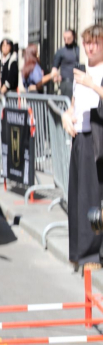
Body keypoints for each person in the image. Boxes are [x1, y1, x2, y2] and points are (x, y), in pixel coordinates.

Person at [62, 24, 103, 269]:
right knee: (77, 195)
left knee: (92, 198)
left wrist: (92, 83)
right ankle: (77, 250)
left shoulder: (94, 73)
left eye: (96, 42)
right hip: (80, 138)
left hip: (97, 138)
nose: (90, 46)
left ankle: (92, 254)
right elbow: (74, 104)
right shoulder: (81, 70)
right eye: (87, 42)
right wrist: (66, 116)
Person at [51, 29, 80, 99]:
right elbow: (54, 68)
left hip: (79, 81)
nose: (66, 40)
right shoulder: (61, 52)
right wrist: (55, 76)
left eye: (69, 38)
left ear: (74, 37)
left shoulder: (79, 50)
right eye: (64, 38)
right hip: (67, 82)